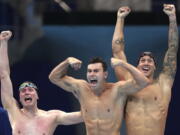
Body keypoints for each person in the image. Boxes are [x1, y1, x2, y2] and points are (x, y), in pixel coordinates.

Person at [112, 4, 178, 135]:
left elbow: (173, 49)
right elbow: (117, 51)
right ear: (137, 67)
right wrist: (120, 19)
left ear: (155, 66)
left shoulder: (163, 84)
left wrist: (172, 18)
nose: (146, 62)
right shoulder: (128, 83)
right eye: (142, 60)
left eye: (149, 61)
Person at [0, 31, 83, 135]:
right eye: (23, 91)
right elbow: (3, 76)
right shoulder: (14, 113)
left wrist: (83, 95)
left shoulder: (51, 117)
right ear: (19, 98)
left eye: (30, 90)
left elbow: (84, 116)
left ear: (37, 96)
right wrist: (3, 42)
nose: (26, 92)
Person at [49, 56, 149, 135]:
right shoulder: (81, 88)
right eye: (89, 71)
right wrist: (67, 62)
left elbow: (143, 82)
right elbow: (53, 78)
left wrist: (123, 64)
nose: (92, 74)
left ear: (105, 74)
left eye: (96, 71)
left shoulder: (117, 90)